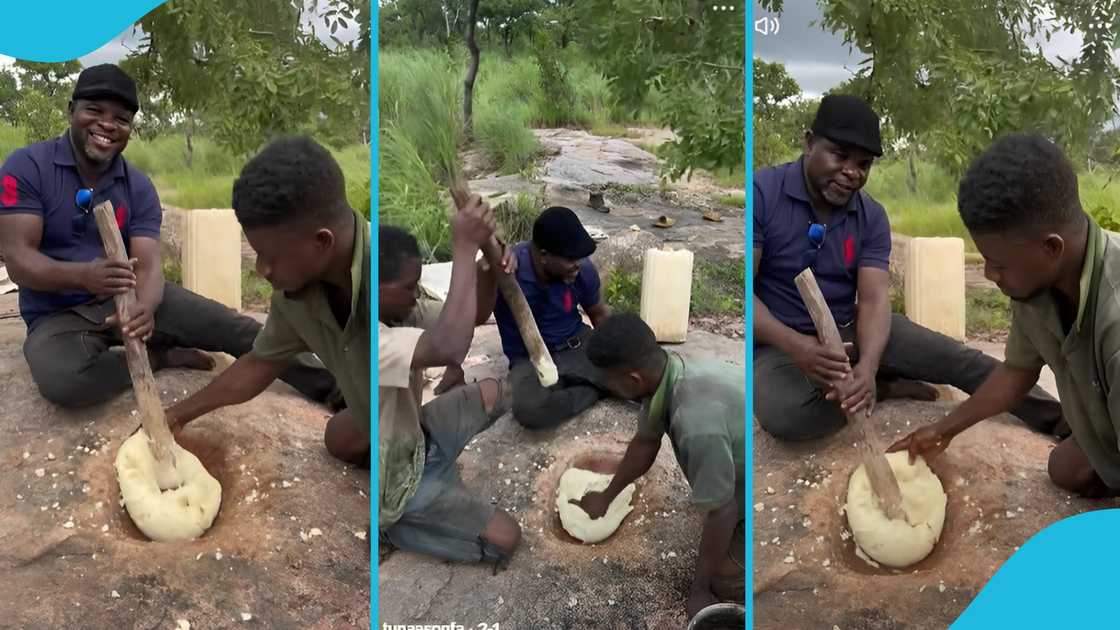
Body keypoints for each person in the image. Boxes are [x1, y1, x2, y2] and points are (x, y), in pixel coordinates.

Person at [0, 63, 336, 409]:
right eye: (95, 111)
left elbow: (148, 266)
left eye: (121, 118)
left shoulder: (138, 186)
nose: (107, 125)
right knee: (65, 380)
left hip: (128, 298)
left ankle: (340, 391)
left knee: (239, 330)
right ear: (71, 111)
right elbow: (19, 262)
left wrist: (145, 308)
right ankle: (159, 357)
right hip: (57, 317)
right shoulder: (28, 167)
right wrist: (84, 276)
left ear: (130, 128)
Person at [752, 93, 1065, 441]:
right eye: (839, 155)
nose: (851, 172)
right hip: (777, 345)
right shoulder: (762, 192)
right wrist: (799, 347)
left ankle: (1066, 424)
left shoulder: (871, 215)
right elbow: (745, 297)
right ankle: (886, 388)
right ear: (810, 143)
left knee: (963, 361)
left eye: (864, 164)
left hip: (851, 330)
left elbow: (873, 300)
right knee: (789, 415)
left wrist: (867, 366)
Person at [891, 133, 1120, 498]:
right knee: (1065, 468)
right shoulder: (1037, 284)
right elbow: (1017, 372)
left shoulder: (1115, 318)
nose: (989, 274)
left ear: (1051, 248)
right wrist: (943, 430)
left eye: (998, 265)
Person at [167, 136, 367, 471]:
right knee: (339, 438)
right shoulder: (296, 294)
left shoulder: (388, 280)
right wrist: (176, 416)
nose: (262, 270)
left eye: (269, 257)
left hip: (397, 403)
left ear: (321, 241)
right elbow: (259, 363)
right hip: (370, 403)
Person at [376, 197, 522, 569]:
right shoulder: (368, 337)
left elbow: (472, 317)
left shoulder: (400, 307)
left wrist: (487, 269)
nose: (416, 296)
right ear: (375, 288)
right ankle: (392, 527)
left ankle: (434, 479)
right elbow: (450, 345)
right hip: (393, 482)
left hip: (414, 438)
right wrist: (464, 247)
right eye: (408, 287)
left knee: (495, 391)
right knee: (506, 538)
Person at [570, 313, 744, 617]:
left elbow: (723, 511)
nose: (606, 386)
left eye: (609, 381)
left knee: (724, 578)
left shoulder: (695, 425)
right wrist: (606, 497)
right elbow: (645, 444)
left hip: (752, 479)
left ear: (633, 379)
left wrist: (699, 589)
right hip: (728, 446)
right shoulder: (668, 370)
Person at [478, 205, 611, 429]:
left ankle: (583, 387)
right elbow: (478, 318)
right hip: (529, 361)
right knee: (529, 409)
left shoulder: (581, 269)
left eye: (579, 257)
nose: (577, 264)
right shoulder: (508, 270)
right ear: (543, 256)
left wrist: (616, 352)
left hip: (576, 345)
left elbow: (599, 314)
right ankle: (593, 388)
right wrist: (488, 276)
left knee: (626, 374)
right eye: (570, 258)